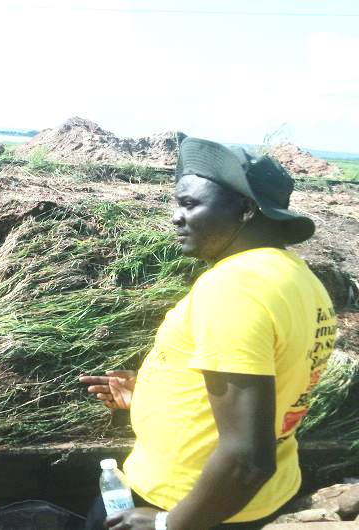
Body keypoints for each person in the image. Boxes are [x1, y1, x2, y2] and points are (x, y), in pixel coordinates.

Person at [79, 138, 337, 530]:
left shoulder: (233, 289)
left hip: (188, 501)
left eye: (189, 204)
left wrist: (168, 523)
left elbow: (248, 458)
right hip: (243, 502)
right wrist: (151, 393)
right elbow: (267, 379)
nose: (175, 217)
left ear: (246, 210)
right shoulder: (297, 277)